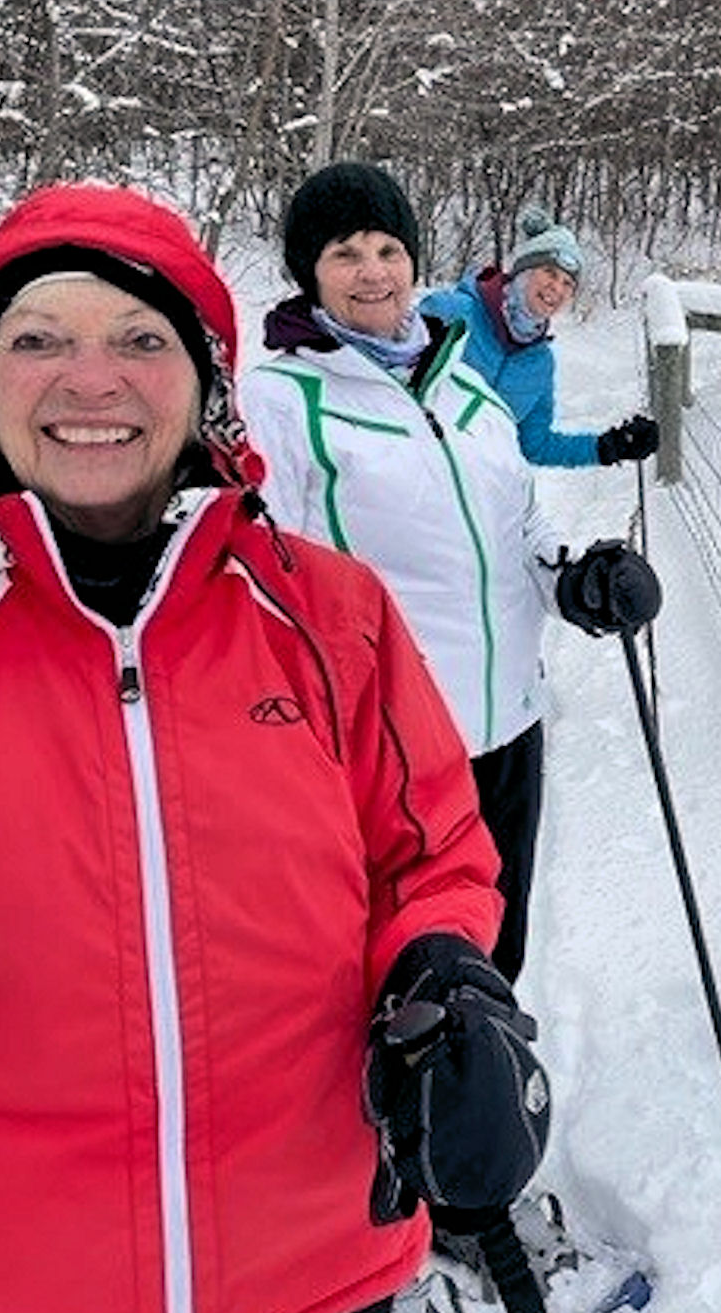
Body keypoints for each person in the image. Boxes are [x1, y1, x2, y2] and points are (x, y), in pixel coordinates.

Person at [0, 182, 551, 1313]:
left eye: (140, 338)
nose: (92, 377)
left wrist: (443, 971)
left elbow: (430, 851)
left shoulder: (330, 615)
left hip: (307, 1260)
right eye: (38, 338)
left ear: (203, 384)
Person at [240, 162, 661, 988]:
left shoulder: (466, 386)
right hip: (394, 756)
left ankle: (498, 1060)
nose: (373, 271)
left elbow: (520, 526)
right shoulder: (280, 402)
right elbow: (260, 588)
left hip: (510, 729)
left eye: (389, 249)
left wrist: (576, 582)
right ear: (308, 273)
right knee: (409, 982)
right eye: (345, 253)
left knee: (500, 953)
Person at [419, 205, 659, 470]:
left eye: (568, 283)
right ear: (523, 271)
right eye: (550, 273)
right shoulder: (455, 313)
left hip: (472, 485)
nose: (556, 288)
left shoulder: (539, 363)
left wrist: (609, 446)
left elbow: (536, 446)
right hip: (412, 470)